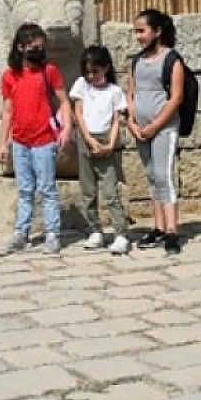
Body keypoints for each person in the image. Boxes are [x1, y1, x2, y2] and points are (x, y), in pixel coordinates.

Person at [0, 23, 71, 255]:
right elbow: (7, 111)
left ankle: (52, 234)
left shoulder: (49, 71)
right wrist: (2, 143)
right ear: (20, 47)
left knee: (47, 189)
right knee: (24, 190)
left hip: (44, 139)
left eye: (40, 47)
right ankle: (21, 232)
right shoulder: (9, 76)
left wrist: (66, 128)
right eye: (33, 47)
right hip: (20, 141)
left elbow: (64, 101)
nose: (38, 51)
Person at [127, 9, 187, 256]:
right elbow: (130, 93)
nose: (138, 36)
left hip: (164, 128)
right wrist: (132, 122)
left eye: (142, 31)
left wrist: (155, 125)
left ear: (157, 31)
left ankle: (172, 230)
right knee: (152, 176)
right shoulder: (136, 61)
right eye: (136, 31)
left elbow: (176, 98)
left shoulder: (172, 60)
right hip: (141, 129)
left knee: (164, 176)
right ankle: (159, 226)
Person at [71, 45, 130, 252]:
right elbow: (78, 114)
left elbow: (117, 120)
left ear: (105, 68)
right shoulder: (81, 86)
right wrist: (89, 139)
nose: (91, 76)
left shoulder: (115, 91)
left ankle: (120, 233)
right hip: (86, 138)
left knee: (110, 190)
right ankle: (95, 229)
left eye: (95, 71)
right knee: (88, 190)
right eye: (87, 72)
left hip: (106, 139)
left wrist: (110, 145)